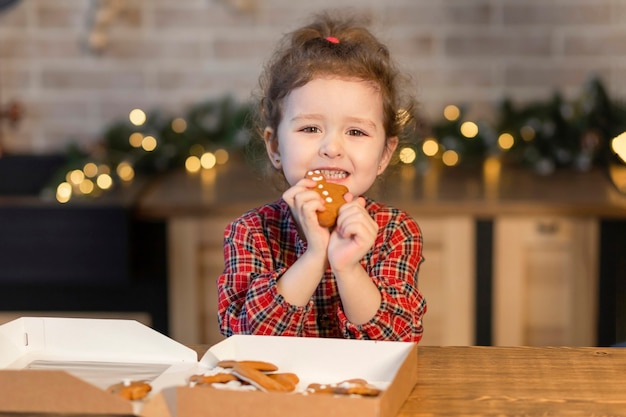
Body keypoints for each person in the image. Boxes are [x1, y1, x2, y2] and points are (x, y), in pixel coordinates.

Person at [217, 11, 426, 342]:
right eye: (310, 128)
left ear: (384, 154)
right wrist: (314, 256)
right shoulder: (250, 233)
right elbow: (246, 339)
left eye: (356, 131)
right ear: (274, 146)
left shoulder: (396, 233)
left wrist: (346, 267)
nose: (331, 147)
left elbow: (397, 342)